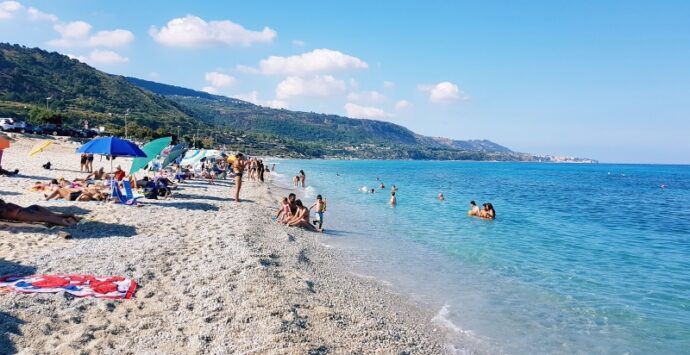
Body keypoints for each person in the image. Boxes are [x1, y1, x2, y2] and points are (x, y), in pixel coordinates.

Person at [0, 199, 80, 226]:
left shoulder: (2, 208)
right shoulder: (6, 203)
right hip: (31, 208)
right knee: (51, 215)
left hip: (20, 213)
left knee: (45, 218)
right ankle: (69, 216)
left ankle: (68, 222)